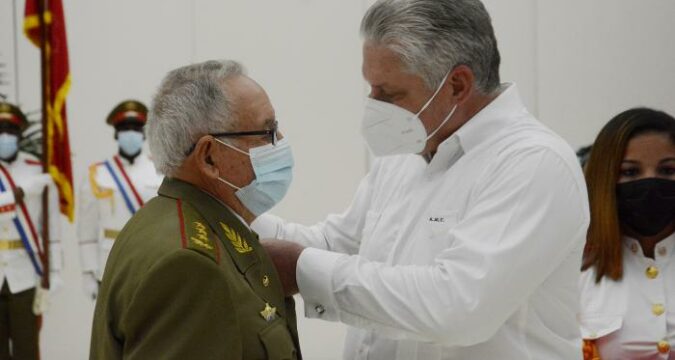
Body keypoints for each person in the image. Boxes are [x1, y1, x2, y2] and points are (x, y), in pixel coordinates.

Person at [254, 0, 590, 358]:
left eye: (390, 94)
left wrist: (303, 270)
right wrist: (229, 214)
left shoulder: (532, 163)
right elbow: (336, 244)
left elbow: (458, 307)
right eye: (371, 89)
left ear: (458, 85)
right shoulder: (408, 151)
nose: (374, 106)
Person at [90, 60, 301, 360]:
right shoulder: (190, 266)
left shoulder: (166, 220)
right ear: (209, 158)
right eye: (267, 133)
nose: (279, 143)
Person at [580, 108, 675, 360]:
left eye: (667, 170)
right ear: (605, 179)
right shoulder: (576, 269)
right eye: (630, 172)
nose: (651, 182)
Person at [77, 100, 162, 299]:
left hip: (152, 256)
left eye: (135, 128)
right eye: (124, 128)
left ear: (143, 133)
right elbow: (86, 230)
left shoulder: (160, 171)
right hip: (111, 259)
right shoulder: (98, 174)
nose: (130, 133)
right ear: (116, 133)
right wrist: (88, 271)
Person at [0, 102, 62, 360]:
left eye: (11, 131)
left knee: (27, 348)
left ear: (20, 135)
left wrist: (55, 271)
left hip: (26, 272)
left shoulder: (38, 169)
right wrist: (20, 193)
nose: (5, 137)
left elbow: (52, 229)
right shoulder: (32, 181)